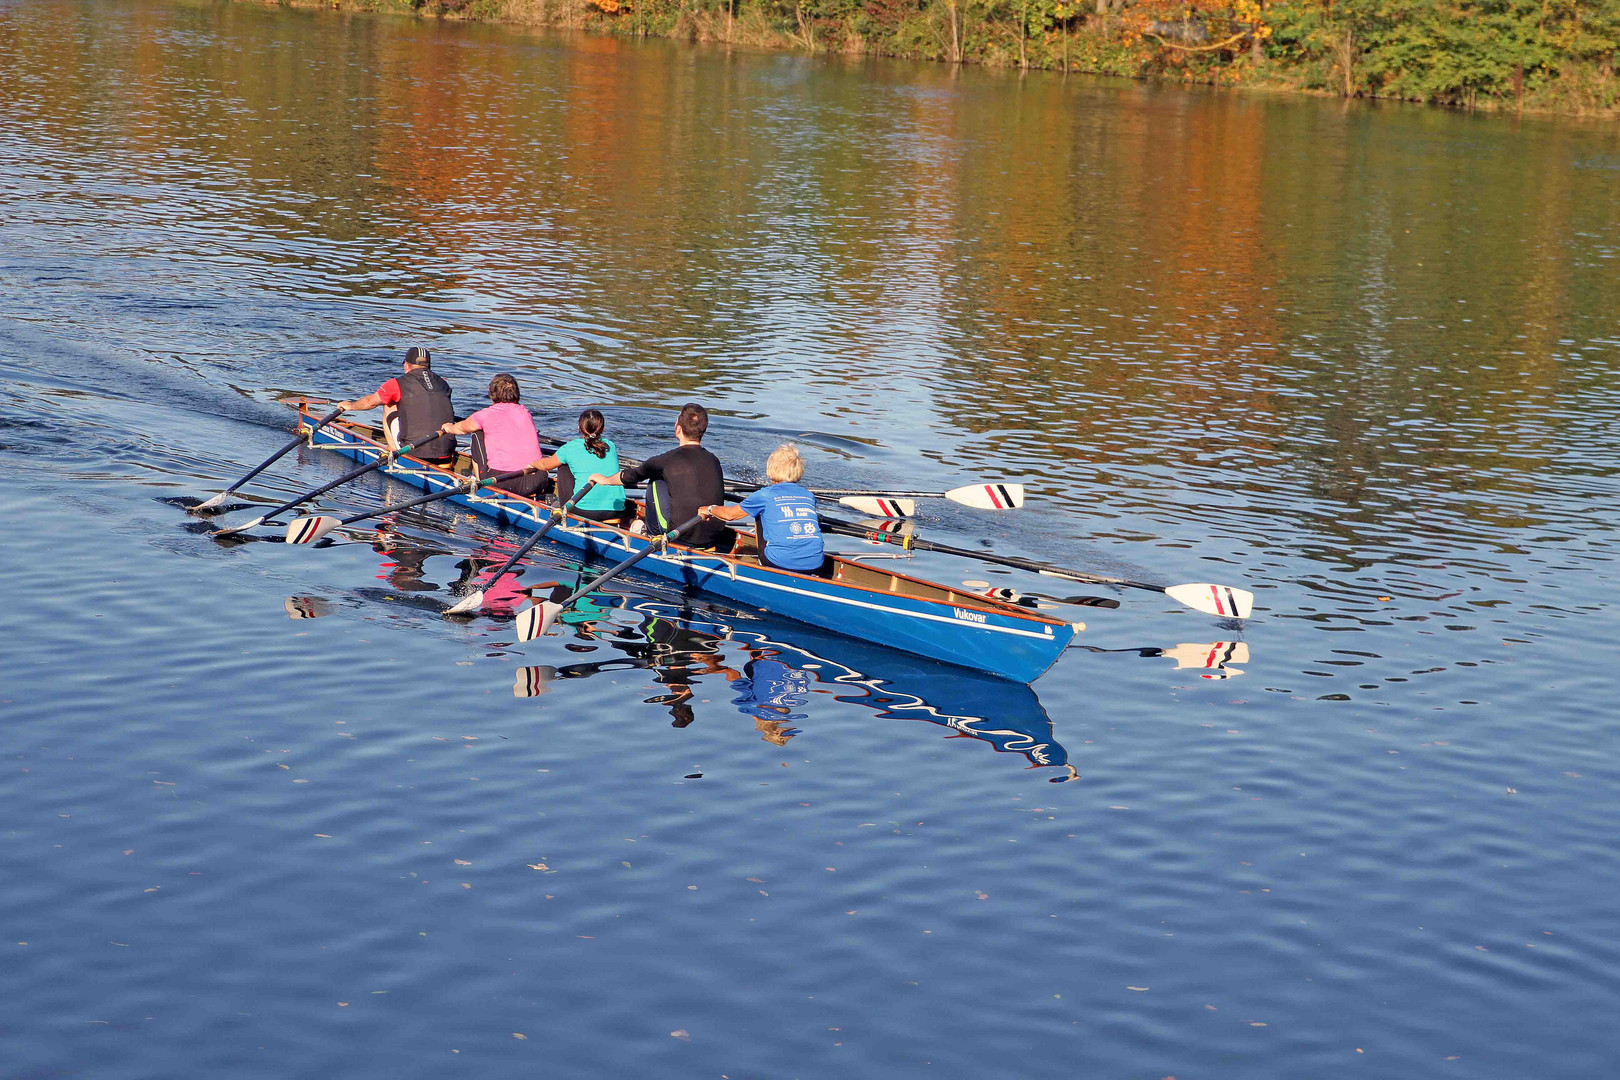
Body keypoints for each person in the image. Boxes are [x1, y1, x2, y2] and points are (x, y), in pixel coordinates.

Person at [589, 403, 731, 552]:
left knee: (656, 480)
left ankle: (650, 534)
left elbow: (631, 476)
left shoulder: (665, 460)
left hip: (680, 536)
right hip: (713, 535)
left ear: (678, 428)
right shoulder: (714, 459)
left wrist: (605, 480)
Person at [699, 443, 825, 573]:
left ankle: (761, 564)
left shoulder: (765, 495)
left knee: (759, 513)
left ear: (771, 470)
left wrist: (709, 509)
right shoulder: (808, 495)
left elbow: (729, 515)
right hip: (816, 563)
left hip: (779, 562)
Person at [336, 347, 456, 465]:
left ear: (406, 365)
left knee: (388, 403)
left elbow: (370, 402)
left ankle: (392, 449)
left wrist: (351, 406)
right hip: (446, 451)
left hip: (413, 451)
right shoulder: (443, 383)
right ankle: (446, 462)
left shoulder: (397, 383)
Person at [436, 373, 548, 498]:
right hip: (538, 479)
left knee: (477, 434)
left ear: (492, 395)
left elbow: (461, 429)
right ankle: (530, 492)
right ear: (517, 395)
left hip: (502, 480)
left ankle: (479, 480)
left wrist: (448, 427)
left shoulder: (486, 415)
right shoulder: (525, 412)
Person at [524, 409, 627, 523]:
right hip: (615, 509)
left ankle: (562, 504)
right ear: (603, 429)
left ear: (579, 428)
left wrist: (532, 464)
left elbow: (545, 465)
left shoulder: (570, 447)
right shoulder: (611, 445)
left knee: (563, 465)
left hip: (583, 509)